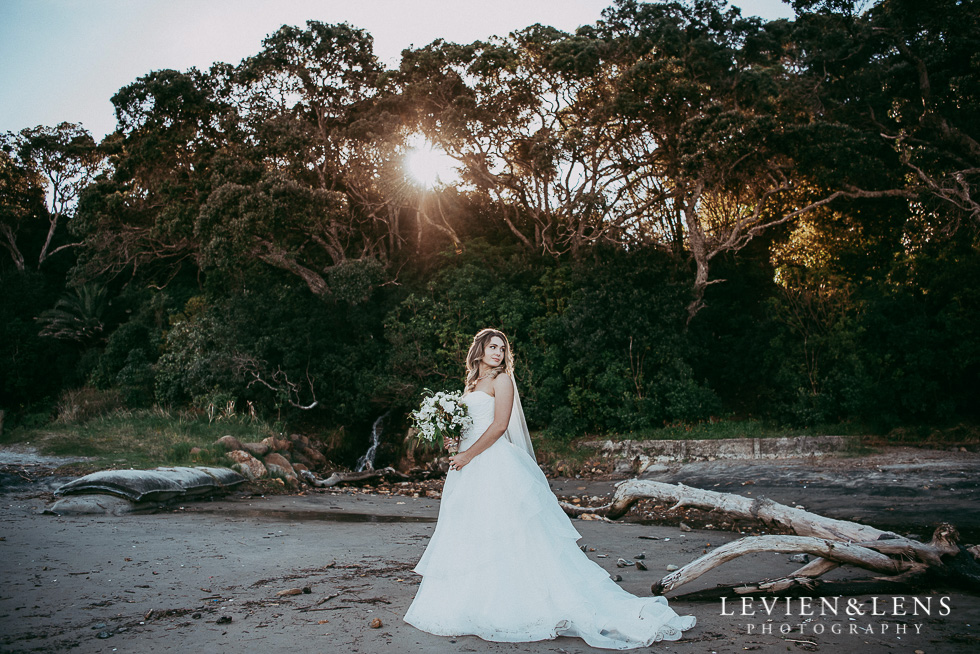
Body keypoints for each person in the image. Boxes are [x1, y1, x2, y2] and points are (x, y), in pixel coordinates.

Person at [403, 328, 696, 649]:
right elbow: (470, 425)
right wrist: (453, 440)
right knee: (471, 533)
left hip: (492, 464)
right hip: (468, 466)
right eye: (492, 347)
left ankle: (518, 604)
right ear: (479, 350)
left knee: (508, 534)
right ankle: (470, 602)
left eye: (502, 348)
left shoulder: (503, 381)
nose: (498, 353)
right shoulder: (472, 384)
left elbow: (500, 426)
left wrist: (468, 454)